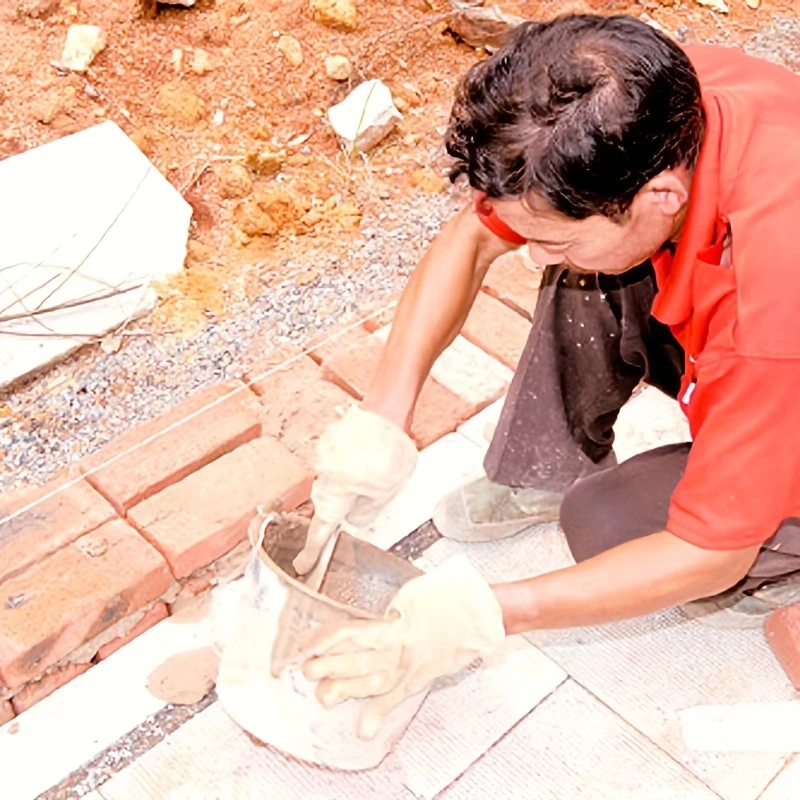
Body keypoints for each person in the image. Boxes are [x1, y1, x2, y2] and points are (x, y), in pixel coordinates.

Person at [293, 13, 800, 741]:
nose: (530, 258)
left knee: (612, 526)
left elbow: (706, 553)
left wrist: (486, 613)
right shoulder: (639, 101)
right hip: (748, 334)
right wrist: (382, 413)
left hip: (782, 360)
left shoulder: (770, 307)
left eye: (551, 236)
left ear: (661, 197)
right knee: (587, 275)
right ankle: (539, 466)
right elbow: (473, 239)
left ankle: (784, 560)